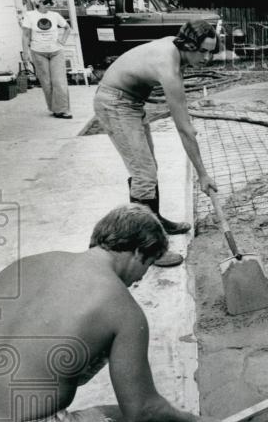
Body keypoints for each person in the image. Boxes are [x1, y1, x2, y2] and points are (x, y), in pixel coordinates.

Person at [0, 204, 226, 422]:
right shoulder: (121, 306)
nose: (141, 278)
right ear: (138, 253)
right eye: (147, 265)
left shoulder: (20, 266)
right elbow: (142, 411)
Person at [94, 19, 219, 266]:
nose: (206, 58)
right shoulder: (169, 67)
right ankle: (146, 249)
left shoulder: (175, 52)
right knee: (144, 174)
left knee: (148, 168)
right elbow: (185, 129)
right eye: (202, 51)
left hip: (129, 102)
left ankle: (155, 221)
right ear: (187, 44)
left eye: (210, 51)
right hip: (115, 103)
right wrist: (203, 174)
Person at [20, 0, 73, 119]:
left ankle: (64, 109)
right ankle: (55, 109)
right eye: (45, 2)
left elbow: (68, 28)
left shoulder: (55, 15)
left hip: (56, 51)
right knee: (46, 82)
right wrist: (25, 53)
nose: (48, 5)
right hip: (38, 52)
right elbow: (26, 35)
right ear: (37, 2)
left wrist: (62, 41)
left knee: (59, 81)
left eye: (50, 2)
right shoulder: (30, 15)